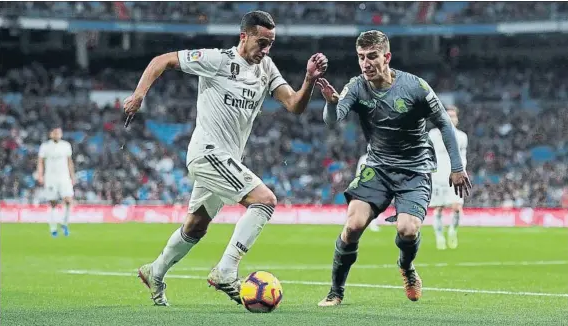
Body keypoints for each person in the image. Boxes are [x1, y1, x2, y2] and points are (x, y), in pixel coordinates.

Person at [123, 10, 328, 306]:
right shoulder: (217, 60)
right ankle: (226, 270)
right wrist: (139, 94)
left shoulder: (266, 68)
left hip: (227, 159)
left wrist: (309, 79)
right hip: (208, 153)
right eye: (261, 42)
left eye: (271, 43)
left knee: (196, 226)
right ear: (244, 36)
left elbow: (294, 105)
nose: (266, 49)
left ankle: (155, 271)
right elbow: (162, 61)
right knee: (265, 201)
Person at [315, 30, 471, 306]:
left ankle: (406, 267)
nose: (365, 64)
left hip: (414, 169)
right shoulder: (357, 86)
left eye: (372, 56)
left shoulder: (415, 87)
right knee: (352, 226)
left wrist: (457, 167)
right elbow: (332, 121)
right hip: (378, 167)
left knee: (408, 230)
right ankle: (335, 291)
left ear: (386, 57)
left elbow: (445, 124)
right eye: (361, 57)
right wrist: (330, 103)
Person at [428, 105, 468, 250]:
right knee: (438, 208)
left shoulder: (462, 137)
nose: (451, 118)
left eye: (453, 116)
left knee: (457, 207)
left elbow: (463, 158)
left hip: (456, 176)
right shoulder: (433, 134)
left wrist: (463, 173)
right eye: (448, 115)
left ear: (457, 119)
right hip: (438, 176)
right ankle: (439, 236)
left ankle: (453, 231)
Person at [37, 125, 75, 237]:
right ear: (50, 134)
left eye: (58, 133)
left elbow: (69, 161)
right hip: (50, 178)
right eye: (55, 133)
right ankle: (53, 228)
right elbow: (40, 162)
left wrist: (72, 176)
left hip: (64, 177)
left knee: (68, 200)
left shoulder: (66, 146)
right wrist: (40, 175)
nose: (57, 134)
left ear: (61, 134)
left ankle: (64, 223)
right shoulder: (45, 146)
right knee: (53, 203)